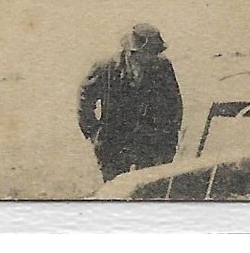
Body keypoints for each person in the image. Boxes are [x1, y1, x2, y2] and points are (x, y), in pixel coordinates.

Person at [77, 23, 184, 183]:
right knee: (115, 190)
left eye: (155, 53)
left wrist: (169, 141)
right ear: (132, 52)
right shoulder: (106, 67)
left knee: (148, 188)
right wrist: (93, 131)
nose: (152, 57)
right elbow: (85, 97)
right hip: (113, 142)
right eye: (148, 53)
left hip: (148, 142)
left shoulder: (162, 66)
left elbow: (174, 104)